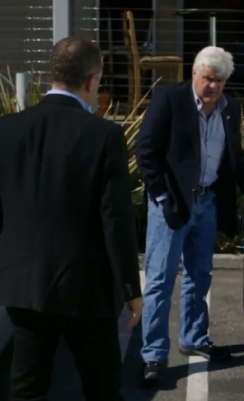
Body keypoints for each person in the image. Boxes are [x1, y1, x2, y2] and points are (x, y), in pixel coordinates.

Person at [0, 37, 143, 401]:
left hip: (23, 285)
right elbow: (116, 219)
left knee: (26, 387)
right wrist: (131, 290)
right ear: (92, 81)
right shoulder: (104, 134)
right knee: (101, 387)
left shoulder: (7, 129)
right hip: (86, 289)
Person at [136, 45, 244, 383]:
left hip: (207, 202)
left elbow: (236, 158)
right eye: (209, 79)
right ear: (195, 74)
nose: (213, 86)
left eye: (220, 81)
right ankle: (153, 355)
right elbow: (146, 151)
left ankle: (194, 339)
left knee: (201, 277)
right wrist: (160, 196)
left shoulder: (230, 109)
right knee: (159, 281)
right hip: (172, 204)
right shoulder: (171, 100)